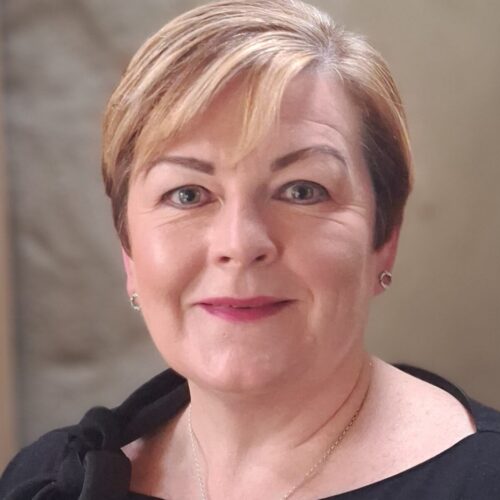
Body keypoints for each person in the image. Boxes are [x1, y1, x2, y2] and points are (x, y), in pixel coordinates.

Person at [1, 0, 499, 498]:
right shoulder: (42, 482)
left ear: (383, 238)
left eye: (301, 190)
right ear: (128, 250)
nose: (239, 245)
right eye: (187, 195)